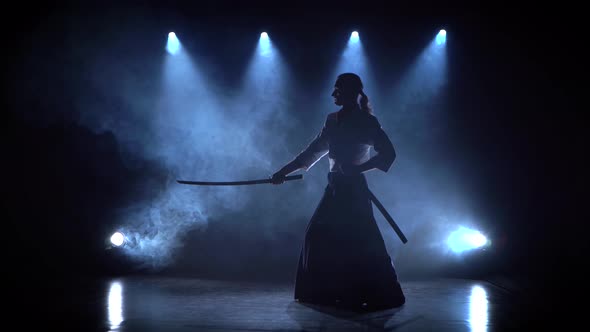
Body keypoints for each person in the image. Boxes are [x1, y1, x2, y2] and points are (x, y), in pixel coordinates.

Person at [271, 73, 405, 311]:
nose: (333, 94)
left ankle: (372, 292)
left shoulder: (367, 122)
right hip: (334, 187)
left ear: (352, 92)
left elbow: (389, 154)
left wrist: (359, 168)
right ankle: (324, 293)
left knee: (361, 240)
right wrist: (283, 172)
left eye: (338, 90)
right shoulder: (332, 120)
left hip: (354, 191)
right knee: (317, 235)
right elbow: (312, 152)